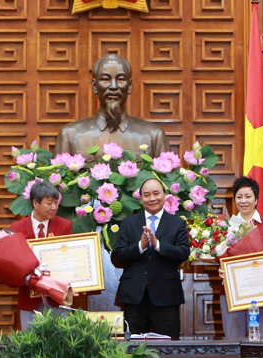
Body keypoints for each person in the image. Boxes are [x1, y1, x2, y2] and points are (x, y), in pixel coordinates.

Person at [112, 179, 189, 340]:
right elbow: (118, 255)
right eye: (146, 195)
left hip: (166, 295)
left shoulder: (178, 224)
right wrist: (140, 246)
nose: (152, 198)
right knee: (132, 347)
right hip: (134, 296)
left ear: (165, 195)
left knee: (168, 348)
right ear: (141, 198)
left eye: (156, 193)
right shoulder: (128, 223)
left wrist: (158, 244)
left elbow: (183, 253)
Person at [54, 54, 170, 161]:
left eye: (120, 79)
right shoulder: (70, 135)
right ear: (94, 86)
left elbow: (167, 181)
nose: (113, 86)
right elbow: (57, 179)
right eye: (105, 79)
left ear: (129, 86)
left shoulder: (154, 136)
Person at [219, 176, 263, 338]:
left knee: (260, 340)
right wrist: (221, 268)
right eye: (239, 197)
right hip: (232, 291)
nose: (243, 201)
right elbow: (219, 255)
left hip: (260, 291)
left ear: (256, 199)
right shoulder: (226, 225)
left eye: (248, 196)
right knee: (233, 340)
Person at [10, 181, 73, 330]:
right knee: (30, 346)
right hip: (29, 299)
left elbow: (70, 259)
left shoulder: (64, 225)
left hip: (58, 300)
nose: (54, 208)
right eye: (49, 203)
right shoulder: (17, 228)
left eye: (56, 203)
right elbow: (13, 264)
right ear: (35, 203)